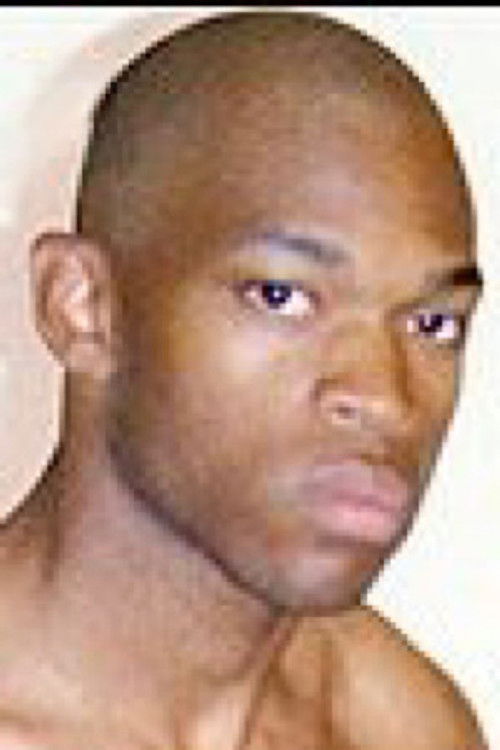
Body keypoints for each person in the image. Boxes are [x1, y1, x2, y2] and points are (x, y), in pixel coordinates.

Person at [0, 10, 486, 749]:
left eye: (432, 324)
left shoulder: (402, 726)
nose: (384, 398)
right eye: (280, 297)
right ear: (83, 305)